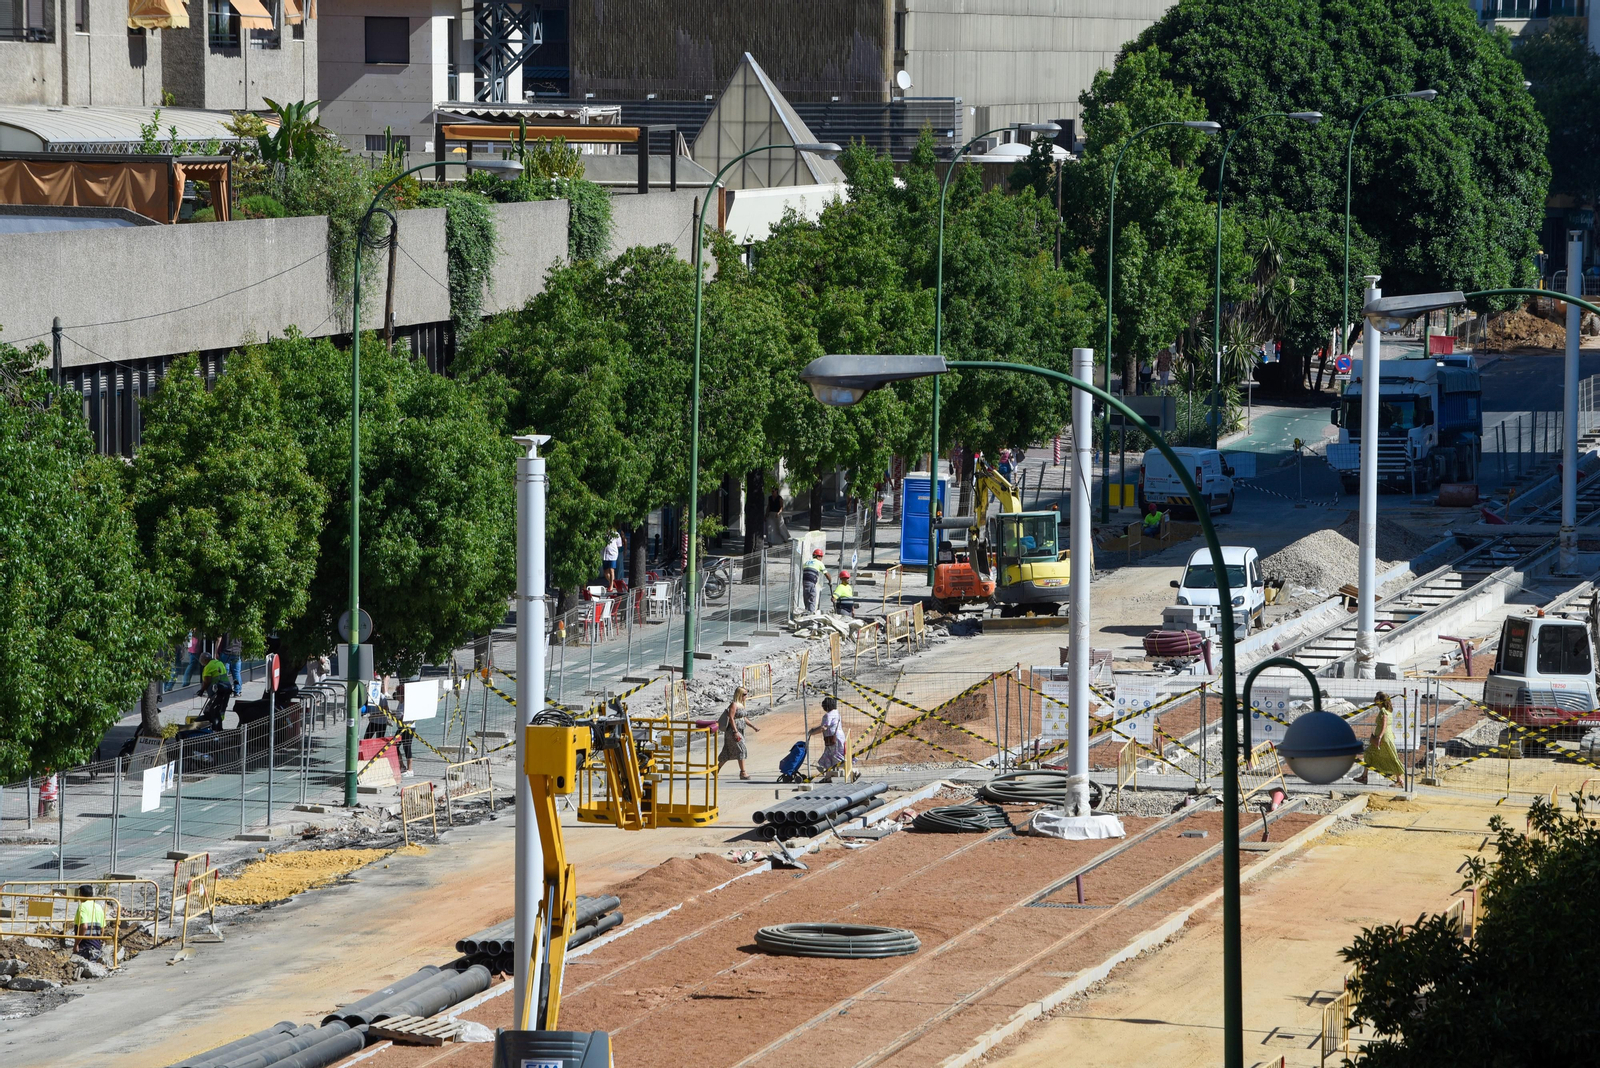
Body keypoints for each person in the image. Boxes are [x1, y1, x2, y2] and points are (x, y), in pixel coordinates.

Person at [1356, 691, 1404, 785]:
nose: (1375, 700)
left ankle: (1399, 780)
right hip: (1385, 737)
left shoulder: (1383, 711)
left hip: (1384, 739)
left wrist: (1379, 737)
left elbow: (1384, 725)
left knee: (1391, 757)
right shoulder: (1387, 711)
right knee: (1369, 753)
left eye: (1377, 698)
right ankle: (1364, 776)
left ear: (1381, 701)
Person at [716, 687, 760, 780]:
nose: (746, 696)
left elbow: (743, 718)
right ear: (739, 694)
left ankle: (716, 769)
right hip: (732, 731)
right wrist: (735, 731)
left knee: (728, 752)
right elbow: (731, 718)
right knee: (742, 750)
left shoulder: (741, 705)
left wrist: (753, 727)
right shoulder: (734, 705)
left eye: (746, 694)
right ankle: (743, 773)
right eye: (744, 694)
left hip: (740, 730)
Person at [808, 697, 850, 782]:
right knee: (827, 757)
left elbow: (823, 727)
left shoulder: (828, 715)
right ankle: (827, 777)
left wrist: (812, 732)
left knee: (837, 757)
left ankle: (853, 771)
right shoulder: (836, 713)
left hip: (833, 740)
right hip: (838, 737)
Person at [73, 885, 106, 961]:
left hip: (85, 947)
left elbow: (84, 927)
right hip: (96, 946)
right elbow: (102, 928)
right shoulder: (98, 907)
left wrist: (76, 944)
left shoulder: (82, 907)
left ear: (81, 895)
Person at [802, 548, 829, 613]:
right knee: (812, 598)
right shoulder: (819, 563)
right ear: (819, 556)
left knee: (806, 597)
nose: (821, 558)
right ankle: (811, 615)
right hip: (811, 582)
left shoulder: (807, 562)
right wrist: (830, 581)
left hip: (804, 582)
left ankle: (807, 612)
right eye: (821, 556)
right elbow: (826, 574)